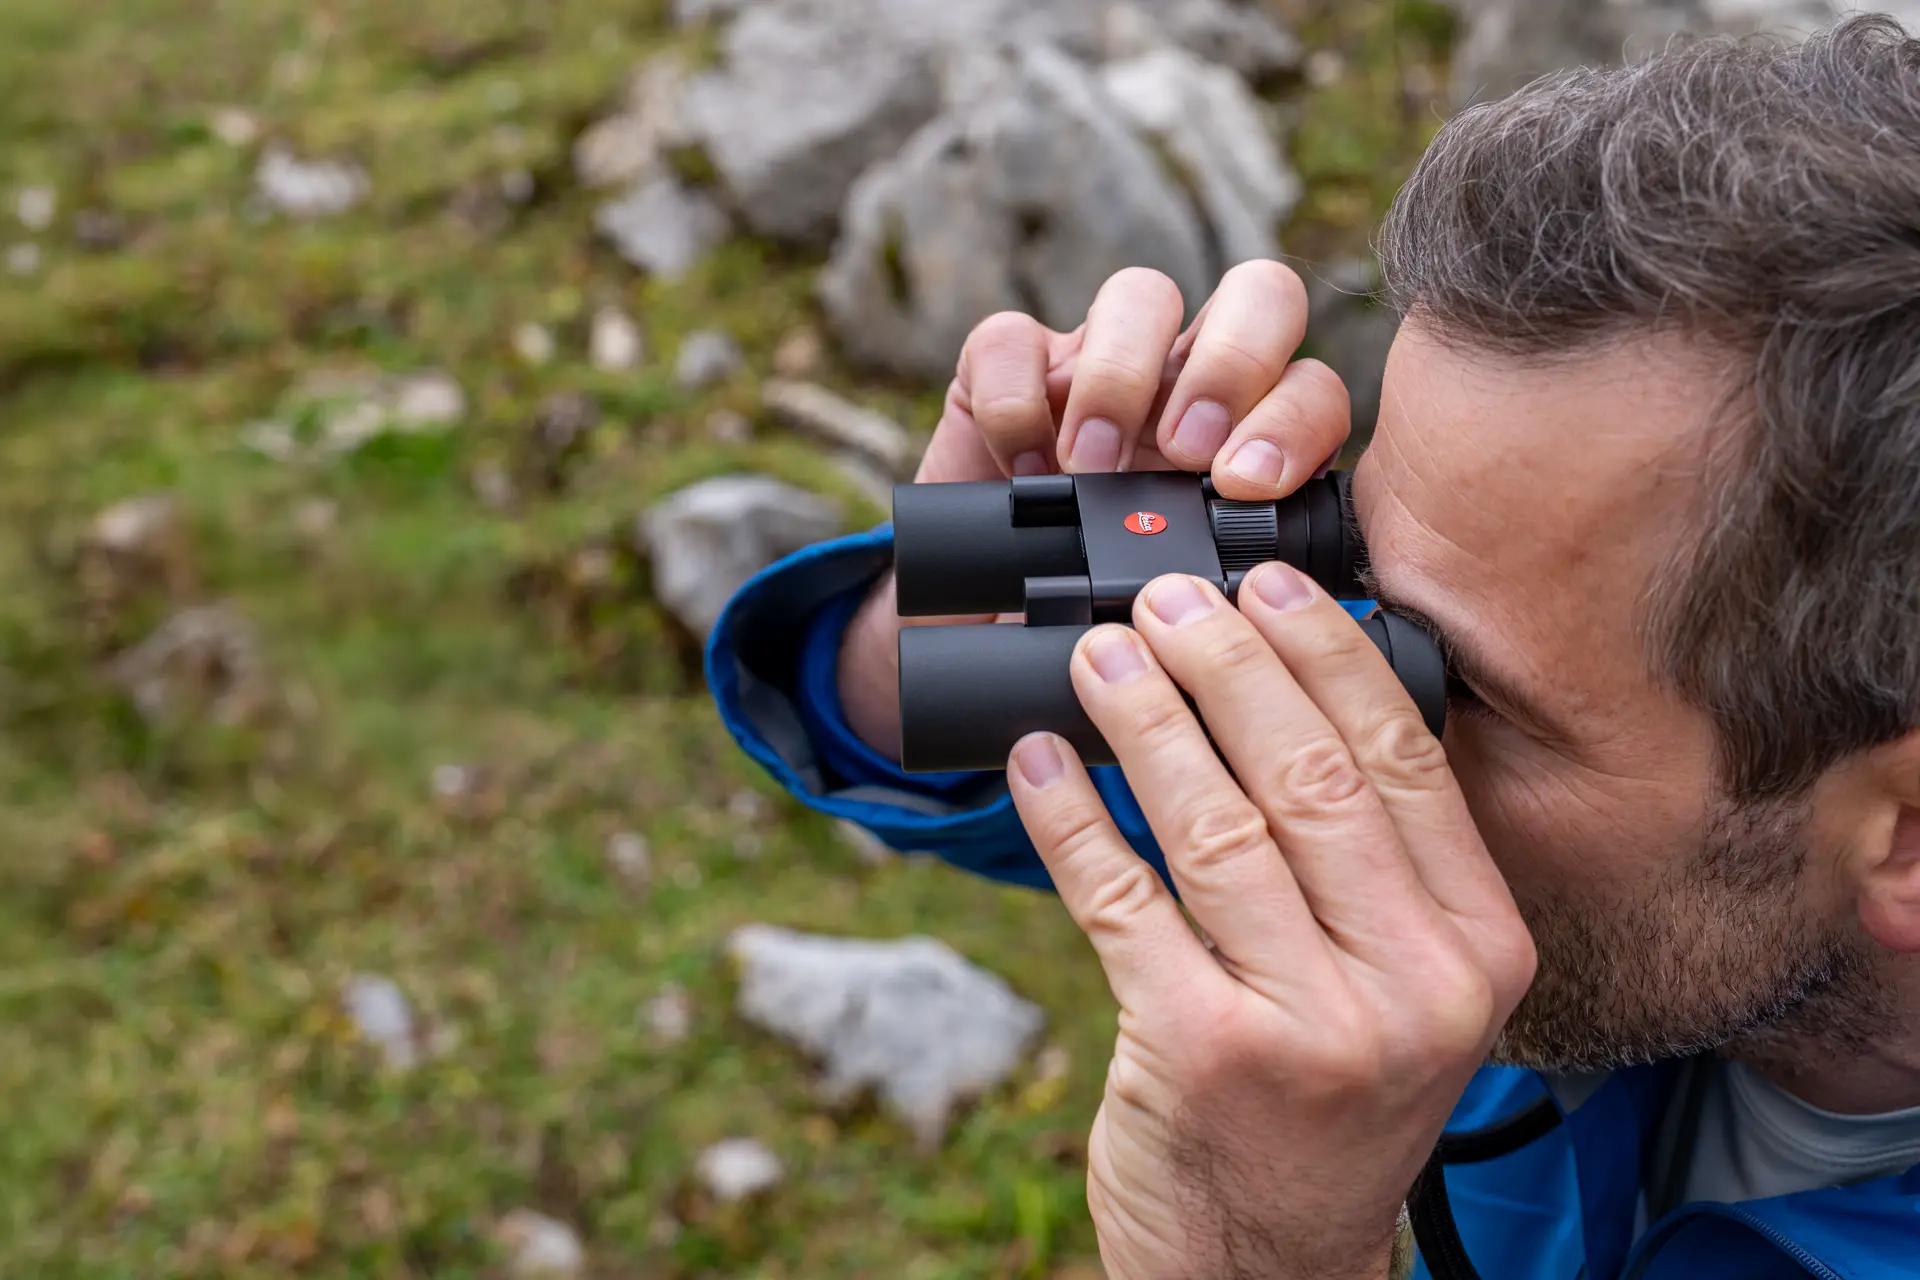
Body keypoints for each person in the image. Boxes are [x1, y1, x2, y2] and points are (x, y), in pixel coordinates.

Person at [707, 15, 1920, 1279]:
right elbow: (933, 713)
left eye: (1453, 683)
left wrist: (1243, 1251)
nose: (1328, 699)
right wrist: (1006, 581)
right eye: (1345, 566)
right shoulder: (1636, 897)